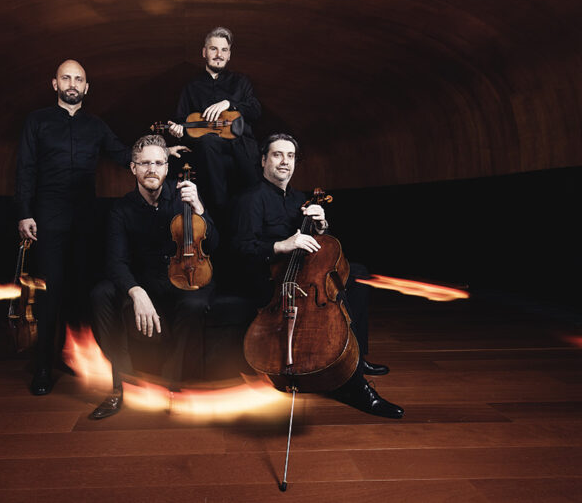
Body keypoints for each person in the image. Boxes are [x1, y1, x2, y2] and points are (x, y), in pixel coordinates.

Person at [231, 133, 403, 419]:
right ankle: (353, 386)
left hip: (300, 273)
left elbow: (315, 245)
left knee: (356, 275)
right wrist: (282, 245)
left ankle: (356, 354)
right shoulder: (249, 200)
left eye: (290, 156)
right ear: (263, 160)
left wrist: (320, 226)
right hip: (268, 277)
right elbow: (240, 249)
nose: (284, 162)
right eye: (277, 155)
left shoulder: (300, 197)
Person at [15, 59, 131, 396]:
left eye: (78, 79)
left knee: (84, 291)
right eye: (66, 77)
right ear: (54, 84)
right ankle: (41, 369)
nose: (72, 83)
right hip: (47, 216)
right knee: (51, 293)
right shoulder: (36, 121)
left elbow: (124, 154)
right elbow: (25, 169)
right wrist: (24, 213)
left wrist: (159, 152)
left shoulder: (96, 126)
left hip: (86, 217)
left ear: (86, 87)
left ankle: (83, 360)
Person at [88, 135, 218, 420]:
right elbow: (116, 262)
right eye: (145, 163)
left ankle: (173, 386)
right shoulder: (121, 209)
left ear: (167, 168)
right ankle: (118, 388)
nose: (152, 169)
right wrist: (136, 291)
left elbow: (214, 245)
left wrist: (200, 211)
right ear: (133, 168)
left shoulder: (185, 197)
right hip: (143, 280)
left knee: (195, 304)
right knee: (101, 294)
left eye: (159, 162)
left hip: (183, 276)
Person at [166, 27, 262, 215]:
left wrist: (230, 104)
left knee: (252, 197)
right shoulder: (191, 87)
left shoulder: (241, 82)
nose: (219, 54)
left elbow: (256, 110)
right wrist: (178, 130)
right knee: (208, 142)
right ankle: (218, 211)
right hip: (210, 155)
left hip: (240, 149)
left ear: (229, 55)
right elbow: (182, 122)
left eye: (224, 50)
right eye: (213, 49)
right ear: (204, 52)